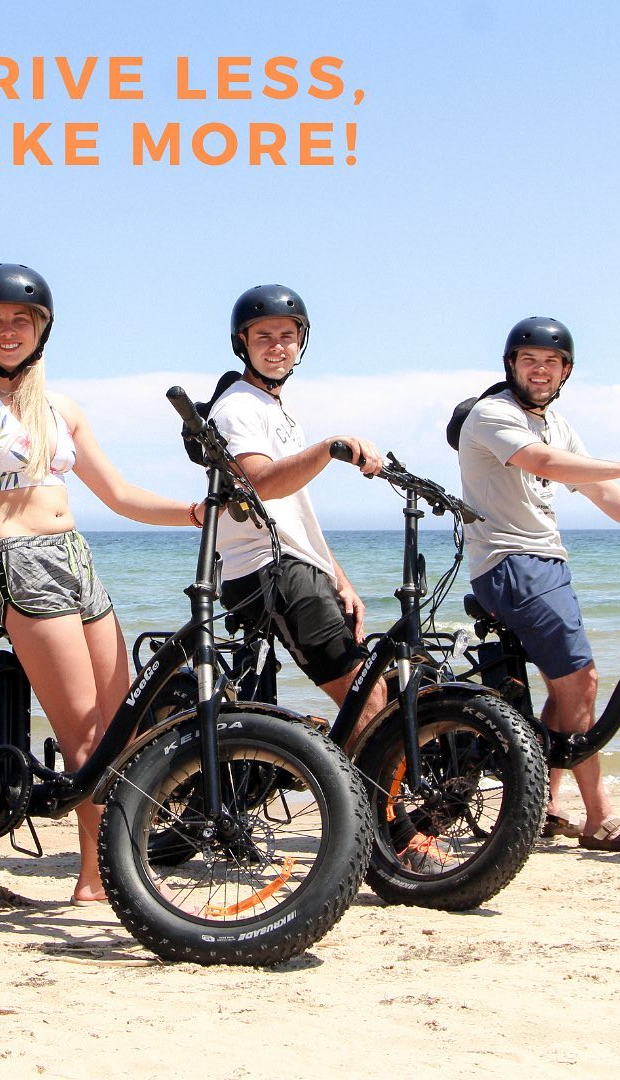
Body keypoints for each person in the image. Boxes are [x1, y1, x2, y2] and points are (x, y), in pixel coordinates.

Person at [0, 263, 203, 904]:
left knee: (122, 722)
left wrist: (194, 512)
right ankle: (97, 877)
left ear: (41, 328)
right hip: (15, 561)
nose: (7, 329)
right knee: (80, 729)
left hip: (76, 558)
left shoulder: (61, 409)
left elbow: (121, 494)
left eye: (21, 319)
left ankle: (120, 861)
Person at [204, 285, 422, 852]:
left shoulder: (279, 413)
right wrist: (330, 448)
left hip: (300, 564)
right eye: (264, 336)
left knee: (373, 690)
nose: (277, 346)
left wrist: (339, 576)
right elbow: (259, 483)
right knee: (365, 697)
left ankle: (353, 809)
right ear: (242, 344)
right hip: (266, 569)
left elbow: (295, 509)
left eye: (287, 335)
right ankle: (386, 835)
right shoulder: (236, 409)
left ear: (302, 343)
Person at [457, 315, 620, 852]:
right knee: (582, 683)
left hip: (544, 562)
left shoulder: (556, 422)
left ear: (566, 370)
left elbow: (596, 491)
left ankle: (545, 807)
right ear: (511, 365)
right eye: (530, 360)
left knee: (563, 685)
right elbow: (544, 462)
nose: (540, 370)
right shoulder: (492, 414)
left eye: (551, 362)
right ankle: (600, 817)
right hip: (511, 562)